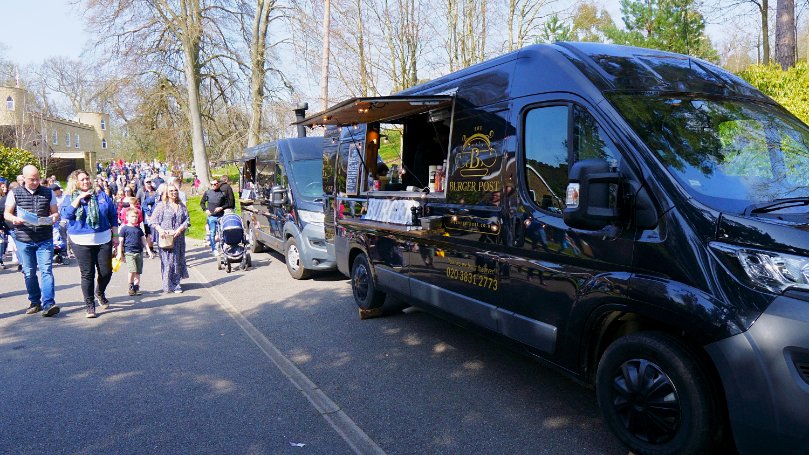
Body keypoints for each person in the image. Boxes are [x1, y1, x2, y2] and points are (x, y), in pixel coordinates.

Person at [60, 169, 120, 318]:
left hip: (103, 237)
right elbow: (66, 215)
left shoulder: (101, 195)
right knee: (87, 274)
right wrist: (79, 198)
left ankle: (99, 292)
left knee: (106, 271)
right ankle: (90, 305)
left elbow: (113, 215)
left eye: (87, 178)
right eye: (82, 180)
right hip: (80, 240)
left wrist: (116, 235)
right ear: (75, 182)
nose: (86, 181)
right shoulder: (69, 197)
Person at [4, 165, 60, 316]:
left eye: (37, 179)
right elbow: (7, 214)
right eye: (31, 179)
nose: (35, 182)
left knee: (46, 271)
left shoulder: (48, 192)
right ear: (23, 178)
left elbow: (55, 213)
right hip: (24, 238)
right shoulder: (14, 193)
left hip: (44, 238)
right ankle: (35, 302)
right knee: (29, 272)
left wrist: (53, 218)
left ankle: (49, 303)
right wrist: (14, 219)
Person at [151, 184, 189, 293]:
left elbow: (187, 220)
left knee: (177, 261)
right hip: (166, 238)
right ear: (167, 193)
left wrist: (180, 229)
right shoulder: (161, 206)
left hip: (179, 238)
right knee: (168, 262)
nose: (174, 193)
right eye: (171, 191)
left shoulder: (181, 206)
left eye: (175, 191)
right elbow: (153, 221)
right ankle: (169, 284)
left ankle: (176, 283)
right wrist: (160, 230)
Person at [117, 207, 154, 296]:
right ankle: (130, 286)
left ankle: (136, 287)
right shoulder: (124, 229)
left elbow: (144, 241)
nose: (135, 218)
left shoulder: (139, 229)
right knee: (132, 270)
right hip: (129, 252)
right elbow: (120, 242)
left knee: (138, 271)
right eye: (132, 216)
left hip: (139, 252)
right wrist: (120, 254)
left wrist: (148, 251)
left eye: (136, 217)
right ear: (127, 217)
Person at [200, 178, 228, 255]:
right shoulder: (207, 192)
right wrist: (205, 210)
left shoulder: (222, 193)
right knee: (212, 233)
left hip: (220, 216)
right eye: (212, 184)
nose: (214, 186)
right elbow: (202, 203)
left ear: (218, 184)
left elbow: (227, 204)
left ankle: (221, 247)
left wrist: (221, 208)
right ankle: (213, 249)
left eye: (215, 184)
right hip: (211, 216)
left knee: (222, 233)